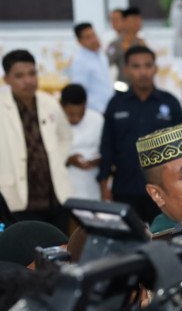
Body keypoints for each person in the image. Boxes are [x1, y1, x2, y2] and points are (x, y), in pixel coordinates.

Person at [98, 46, 182, 224]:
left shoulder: (170, 103)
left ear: (155, 68)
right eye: (136, 66)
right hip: (125, 189)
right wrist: (104, 186)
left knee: (165, 237)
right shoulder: (116, 104)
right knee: (128, 239)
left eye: (147, 65)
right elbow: (107, 146)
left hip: (164, 191)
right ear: (126, 70)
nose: (143, 72)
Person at [0, 50, 72, 232]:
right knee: (25, 248)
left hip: (54, 198)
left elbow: (66, 136)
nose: (28, 81)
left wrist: (57, 158)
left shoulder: (49, 102)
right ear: (7, 79)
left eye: (32, 73)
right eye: (19, 76)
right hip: (16, 200)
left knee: (60, 246)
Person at [61, 84, 104, 200]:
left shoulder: (97, 119)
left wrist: (98, 160)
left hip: (92, 183)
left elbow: (107, 149)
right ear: (62, 106)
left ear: (85, 105)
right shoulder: (53, 121)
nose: (75, 119)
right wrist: (68, 159)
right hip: (66, 183)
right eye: (70, 115)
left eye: (80, 114)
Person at [69, 22, 114, 112]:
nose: (94, 39)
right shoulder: (79, 62)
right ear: (80, 42)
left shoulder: (101, 55)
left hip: (110, 107)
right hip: (95, 110)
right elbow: (80, 92)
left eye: (94, 35)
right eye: (88, 37)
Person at [107, 6, 146, 85]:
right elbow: (106, 63)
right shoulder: (116, 44)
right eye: (134, 20)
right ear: (124, 22)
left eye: (139, 20)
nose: (138, 23)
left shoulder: (142, 42)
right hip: (123, 86)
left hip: (141, 85)